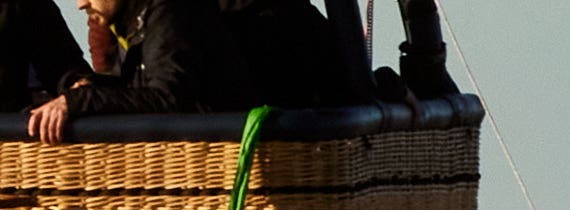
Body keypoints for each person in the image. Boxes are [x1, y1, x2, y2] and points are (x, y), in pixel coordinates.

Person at [24, 0, 360, 139]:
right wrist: (88, 89)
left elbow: (168, 96)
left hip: (231, 163)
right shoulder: (141, 22)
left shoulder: (170, 14)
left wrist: (80, 102)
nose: (81, 3)